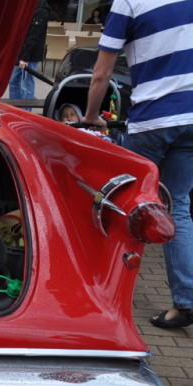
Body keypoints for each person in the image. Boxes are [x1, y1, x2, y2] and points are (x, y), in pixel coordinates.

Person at [83, 0, 193, 329]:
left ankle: (101, 296)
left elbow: (101, 74)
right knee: (177, 205)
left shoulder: (129, 3)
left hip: (153, 120)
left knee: (124, 204)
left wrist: (91, 116)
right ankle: (186, 302)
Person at [8, 0, 51, 101]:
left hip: (30, 55)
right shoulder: (29, 8)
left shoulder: (41, 11)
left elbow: (33, 37)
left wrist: (24, 58)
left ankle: (26, 108)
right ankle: (15, 105)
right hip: (21, 52)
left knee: (27, 84)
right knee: (13, 81)